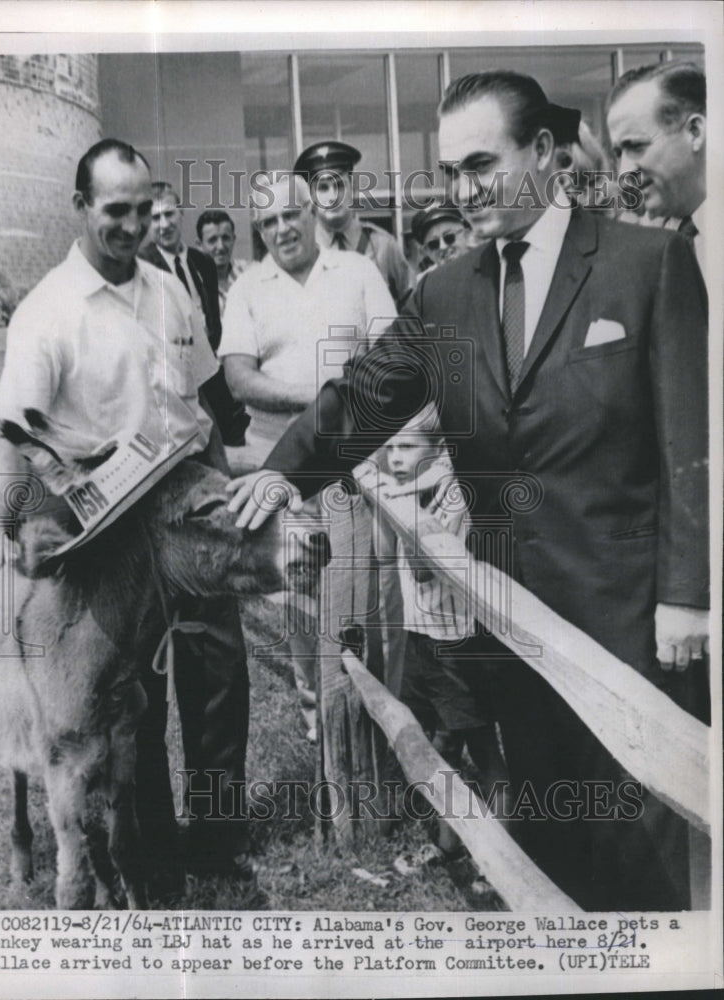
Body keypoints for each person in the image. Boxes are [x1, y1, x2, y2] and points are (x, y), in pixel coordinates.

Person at [228, 70, 709, 911]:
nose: (463, 187)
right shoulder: (446, 292)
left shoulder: (648, 263)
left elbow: (689, 447)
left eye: (481, 163)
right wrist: (279, 470)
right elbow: (366, 395)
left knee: (647, 860)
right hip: (510, 621)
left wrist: (685, 597)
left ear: (546, 153)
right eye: (450, 170)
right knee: (549, 842)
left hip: (628, 626)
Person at [0, 139, 254, 893]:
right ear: (80, 209)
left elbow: (200, 407)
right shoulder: (49, 311)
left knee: (219, 673)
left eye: (143, 209)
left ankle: (218, 840)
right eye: (115, 211)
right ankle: (152, 852)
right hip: (110, 534)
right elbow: (13, 436)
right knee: (139, 696)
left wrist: (226, 506)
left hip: (189, 513)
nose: (133, 226)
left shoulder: (169, 290)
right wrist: (19, 527)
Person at [219, 172, 396, 742]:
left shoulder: (358, 271)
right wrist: (322, 399)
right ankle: (318, 715)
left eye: (288, 215)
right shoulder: (248, 287)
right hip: (279, 465)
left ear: (311, 213)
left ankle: (375, 711)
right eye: (266, 222)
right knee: (298, 595)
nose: (280, 230)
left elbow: (394, 361)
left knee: (366, 586)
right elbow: (238, 378)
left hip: (358, 461)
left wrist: (339, 411)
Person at [382, 412, 509, 798]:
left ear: (438, 452)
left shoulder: (452, 494)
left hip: (455, 643)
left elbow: (422, 571)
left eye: (406, 447)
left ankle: (510, 843)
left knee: (483, 751)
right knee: (437, 741)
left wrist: (403, 504)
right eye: (390, 448)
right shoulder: (414, 490)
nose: (395, 459)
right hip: (420, 634)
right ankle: (446, 844)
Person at [140, 183, 249, 447]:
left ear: (181, 215)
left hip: (211, 370)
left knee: (229, 440)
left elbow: (212, 320)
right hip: (175, 375)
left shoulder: (203, 263)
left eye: (169, 214)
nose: (164, 224)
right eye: (155, 218)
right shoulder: (142, 266)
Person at [606, 61, 706, 273]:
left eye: (636, 146)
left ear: (694, 132)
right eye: (618, 153)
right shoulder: (636, 240)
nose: (624, 172)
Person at [294, 140, 414, 307]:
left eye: (340, 185)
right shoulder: (303, 252)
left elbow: (413, 309)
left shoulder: (383, 246)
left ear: (353, 188)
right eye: (323, 188)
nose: (333, 196)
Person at [196, 209, 250, 316]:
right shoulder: (192, 284)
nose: (220, 247)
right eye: (212, 240)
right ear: (199, 245)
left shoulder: (250, 273)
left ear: (233, 240)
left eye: (225, 238)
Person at [410, 200, 477, 276]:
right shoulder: (426, 283)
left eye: (449, 238)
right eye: (434, 244)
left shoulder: (488, 269)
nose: (443, 247)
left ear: (467, 235)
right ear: (426, 251)